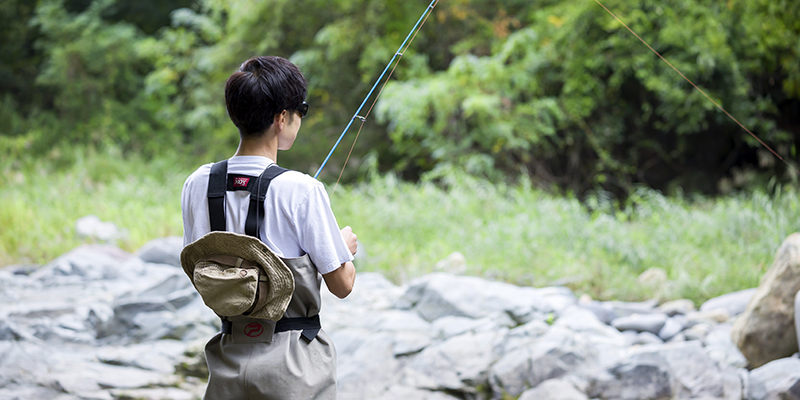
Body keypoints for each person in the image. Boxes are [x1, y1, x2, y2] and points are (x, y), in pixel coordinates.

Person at [181, 55, 357, 399]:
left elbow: (201, 271)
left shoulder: (197, 183)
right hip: (294, 369)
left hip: (227, 361)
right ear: (282, 118)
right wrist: (341, 248)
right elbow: (343, 285)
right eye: (299, 112)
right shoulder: (302, 189)